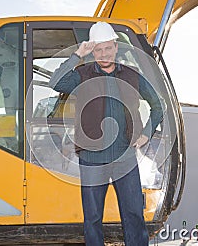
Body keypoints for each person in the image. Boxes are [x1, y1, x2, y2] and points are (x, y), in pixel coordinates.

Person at [49, 21, 163, 246]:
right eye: (98, 49)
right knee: (92, 219)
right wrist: (78, 54)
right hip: (92, 159)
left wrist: (147, 133)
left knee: (133, 215)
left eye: (108, 48)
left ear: (116, 46)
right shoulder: (82, 74)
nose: (103, 54)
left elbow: (158, 105)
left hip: (125, 158)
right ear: (92, 50)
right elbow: (55, 82)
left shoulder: (132, 75)